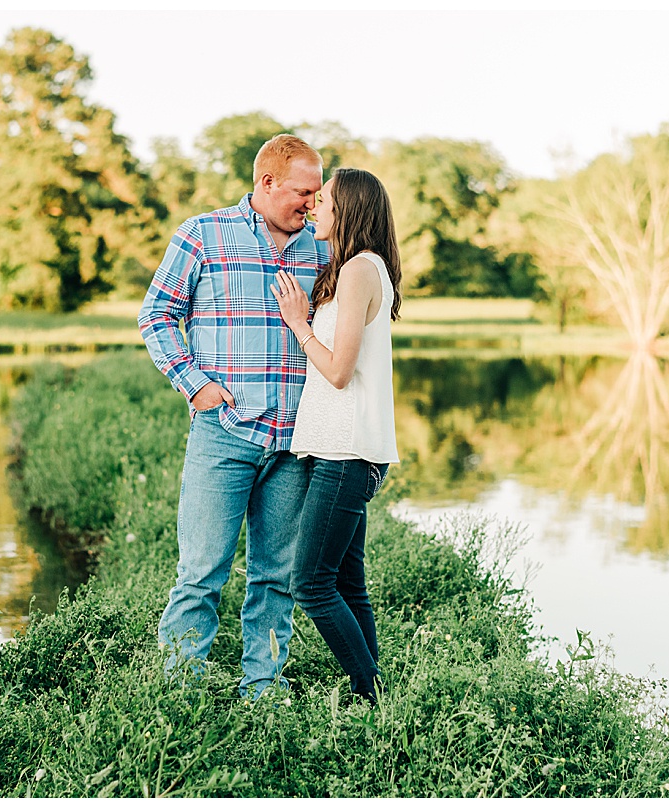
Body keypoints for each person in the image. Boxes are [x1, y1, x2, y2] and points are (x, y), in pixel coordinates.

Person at [138, 134, 330, 699]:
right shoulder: (204, 235)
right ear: (267, 183)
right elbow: (156, 316)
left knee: (275, 578)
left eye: (318, 195)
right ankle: (179, 698)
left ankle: (263, 693)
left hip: (295, 442)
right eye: (303, 192)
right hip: (224, 434)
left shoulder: (321, 249)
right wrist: (194, 386)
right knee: (201, 574)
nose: (312, 205)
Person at [269, 167, 401, 705]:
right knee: (348, 583)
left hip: (345, 453)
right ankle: (374, 702)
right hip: (346, 449)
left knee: (311, 584)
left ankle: (371, 693)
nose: (313, 208)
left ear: (348, 210)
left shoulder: (357, 272)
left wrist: (299, 322)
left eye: (323, 201)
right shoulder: (358, 269)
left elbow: (340, 371)